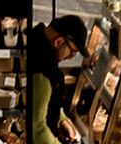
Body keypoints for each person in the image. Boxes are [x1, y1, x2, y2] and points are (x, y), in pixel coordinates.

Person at [25, 13, 89, 144]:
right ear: (58, 41)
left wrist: (62, 119)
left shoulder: (36, 37)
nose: (70, 58)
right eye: (72, 52)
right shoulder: (41, 72)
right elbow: (37, 130)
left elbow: (43, 103)